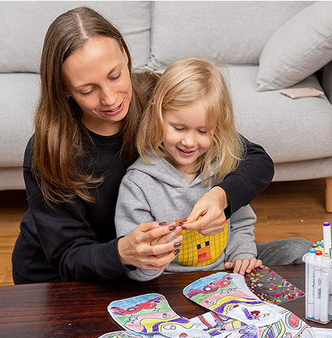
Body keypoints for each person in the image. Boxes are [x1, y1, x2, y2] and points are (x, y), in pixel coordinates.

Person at [11, 7, 278, 284]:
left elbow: (255, 158)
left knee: (294, 251)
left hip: (143, 268)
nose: (111, 99)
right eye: (88, 90)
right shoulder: (50, 149)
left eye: (115, 76)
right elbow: (68, 255)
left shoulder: (155, 98)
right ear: (64, 88)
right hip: (60, 277)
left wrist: (221, 198)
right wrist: (122, 252)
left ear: (125, 55)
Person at [116, 58, 311, 281]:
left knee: (301, 249)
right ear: (157, 116)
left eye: (202, 131)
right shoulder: (137, 184)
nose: (189, 142)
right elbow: (137, 268)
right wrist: (151, 260)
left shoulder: (222, 163)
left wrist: (242, 255)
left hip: (227, 273)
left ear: (217, 127)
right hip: (168, 283)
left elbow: (240, 221)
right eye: (179, 128)